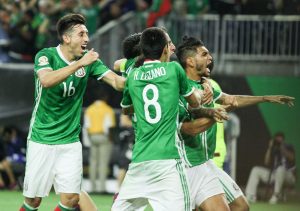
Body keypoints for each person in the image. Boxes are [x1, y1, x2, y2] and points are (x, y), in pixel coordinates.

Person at [176, 35, 295, 211]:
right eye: (204, 54)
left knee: (241, 206)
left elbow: (233, 100)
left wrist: (265, 98)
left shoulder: (206, 86)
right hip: (187, 165)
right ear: (191, 61)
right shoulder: (179, 89)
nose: (210, 58)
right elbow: (189, 130)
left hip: (205, 162)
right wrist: (219, 113)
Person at [20, 13, 125, 211]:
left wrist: (139, 72)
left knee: (71, 199)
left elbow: (118, 83)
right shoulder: (46, 55)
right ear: (66, 38)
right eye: (81, 34)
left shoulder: (89, 62)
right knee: (33, 201)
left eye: (87, 33)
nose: (87, 38)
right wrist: (79, 64)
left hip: (69, 141)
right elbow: (47, 80)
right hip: (42, 137)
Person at [112, 27, 202, 211]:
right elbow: (194, 102)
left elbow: (126, 110)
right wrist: (202, 91)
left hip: (140, 161)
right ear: (165, 50)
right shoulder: (174, 69)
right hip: (168, 162)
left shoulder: (133, 76)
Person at [245, 132, 296, 204]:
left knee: (280, 168)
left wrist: (282, 147)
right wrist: (270, 147)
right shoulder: (274, 149)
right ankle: (250, 195)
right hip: (275, 175)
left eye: (279, 139)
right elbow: (266, 162)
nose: (278, 141)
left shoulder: (288, 146)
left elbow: (292, 157)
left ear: (283, 140)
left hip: (289, 176)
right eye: (276, 139)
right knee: (255, 170)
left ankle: (276, 195)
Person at [84, 91, 116, 193]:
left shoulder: (89, 109)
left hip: (92, 136)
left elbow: (87, 125)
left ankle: (92, 188)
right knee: (103, 163)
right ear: (105, 98)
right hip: (103, 137)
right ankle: (102, 188)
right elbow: (109, 126)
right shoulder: (108, 109)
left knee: (93, 162)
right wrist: (111, 139)